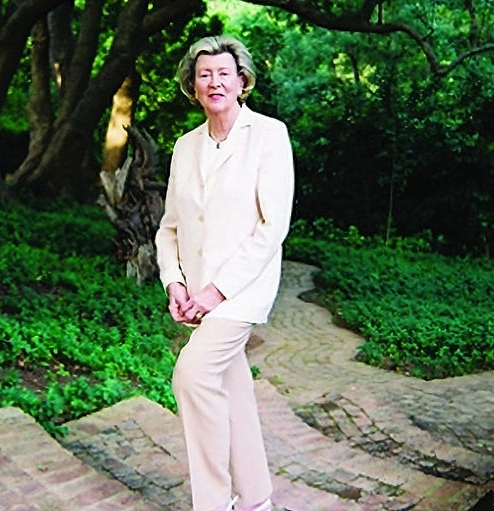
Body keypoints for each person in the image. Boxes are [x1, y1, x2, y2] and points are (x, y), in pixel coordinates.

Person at [154, 35, 294, 511]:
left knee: (191, 377)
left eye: (223, 73)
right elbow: (168, 228)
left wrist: (216, 291)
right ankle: (256, 500)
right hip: (196, 294)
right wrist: (174, 282)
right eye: (204, 74)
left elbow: (271, 227)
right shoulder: (184, 147)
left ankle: (213, 504)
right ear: (193, 87)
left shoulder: (270, 136)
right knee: (232, 391)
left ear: (242, 81)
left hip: (242, 293)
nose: (214, 82)